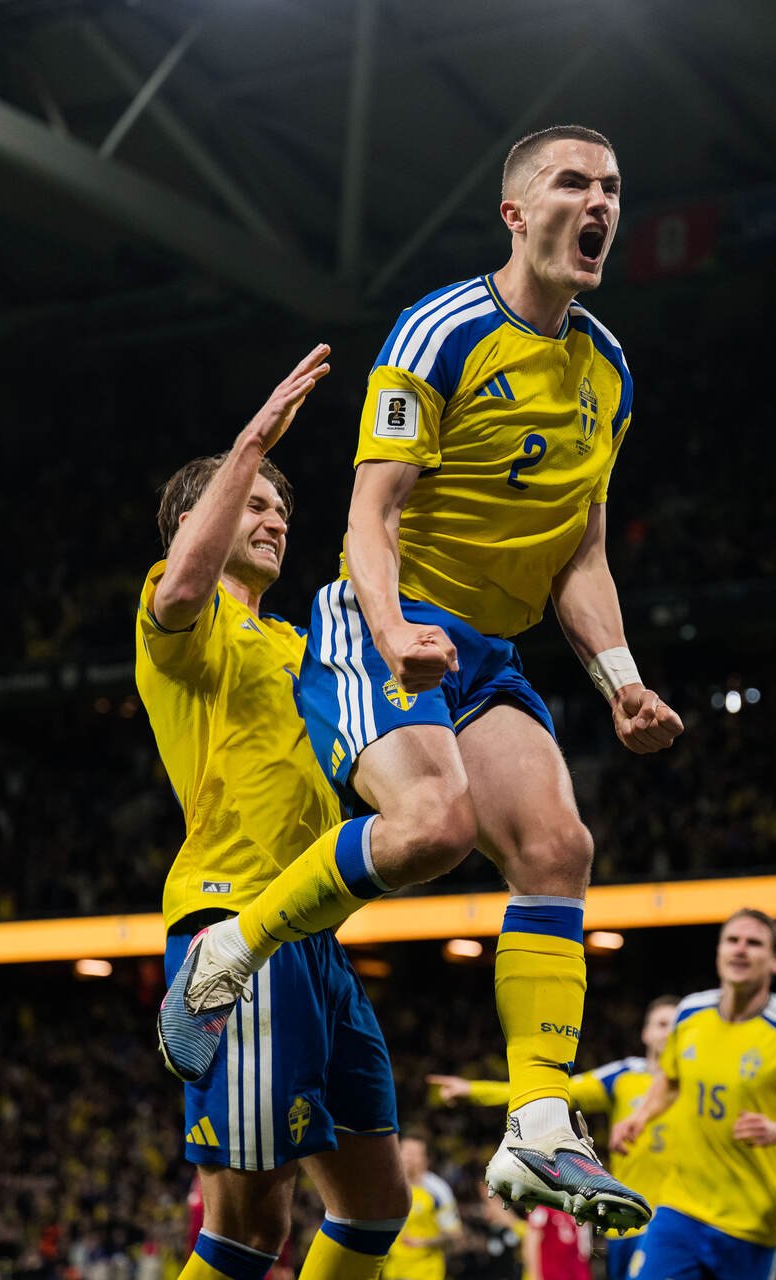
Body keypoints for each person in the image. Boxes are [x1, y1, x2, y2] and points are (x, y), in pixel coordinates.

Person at [158, 123, 681, 1230]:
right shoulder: (441, 331)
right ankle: (231, 946)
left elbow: (580, 551)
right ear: (514, 212)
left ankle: (539, 1129)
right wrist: (391, 628)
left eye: (614, 188)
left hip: (487, 649)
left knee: (559, 846)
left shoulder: (610, 373)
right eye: (573, 182)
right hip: (379, 618)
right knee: (436, 822)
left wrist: (621, 677)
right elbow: (370, 514)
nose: (599, 203)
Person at [136, 348, 407, 1280]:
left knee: (378, 1203)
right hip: (234, 923)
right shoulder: (190, 625)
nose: (276, 517)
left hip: (316, 935)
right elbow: (180, 586)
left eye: (282, 508)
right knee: (251, 1229)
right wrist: (251, 444)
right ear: (192, 522)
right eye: (255, 502)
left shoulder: (303, 643)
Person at [431, 996, 776, 1280]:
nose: (669, 1031)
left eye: (675, 1023)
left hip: (687, 1219)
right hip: (627, 1217)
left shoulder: (703, 1087)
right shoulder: (624, 1078)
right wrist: (475, 1092)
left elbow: (760, 1134)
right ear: (646, 1032)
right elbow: (553, 1091)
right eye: (661, 1023)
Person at [611, 911, 776, 1280]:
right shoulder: (690, 1014)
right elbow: (670, 1081)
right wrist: (640, 1117)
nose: (740, 950)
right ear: (719, 951)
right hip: (680, 1208)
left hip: (750, 1223)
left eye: (754, 943)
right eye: (732, 940)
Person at [385, 1137, 462, 1280]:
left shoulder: (437, 1190)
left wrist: (423, 1242)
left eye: (413, 1153)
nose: (407, 1157)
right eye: (403, 1151)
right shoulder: (388, 1187)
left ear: (425, 1160)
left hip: (424, 1271)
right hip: (392, 1270)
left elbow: (454, 1234)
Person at [523, 1204, 591, 1280]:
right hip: (552, 1273)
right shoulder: (544, 1205)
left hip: (577, 1271)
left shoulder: (579, 1208)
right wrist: (534, 1275)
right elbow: (531, 1242)